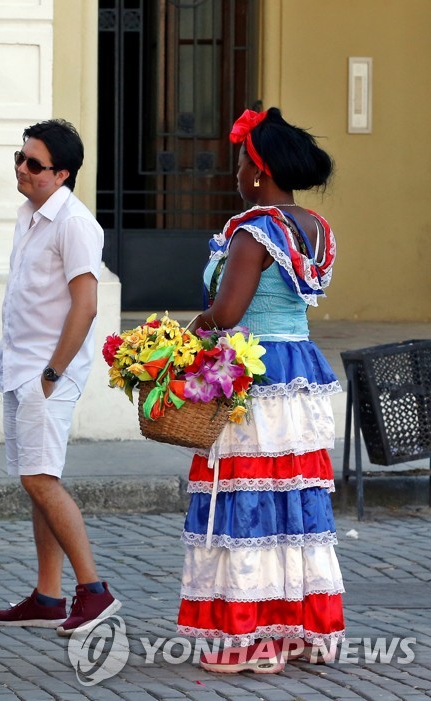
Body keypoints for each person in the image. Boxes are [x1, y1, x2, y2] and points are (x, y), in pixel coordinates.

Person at [180, 107, 345, 674]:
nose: (234, 176)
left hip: (256, 371)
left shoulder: (254, 231)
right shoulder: (315, 227)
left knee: (248, 496)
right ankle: (299, 627)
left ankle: (252, 638)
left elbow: (228, 311)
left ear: (257, 171)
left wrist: (186, 334)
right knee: (292, 500)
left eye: (238, 165)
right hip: (298, 369)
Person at [0, 119, 121, 636]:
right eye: (19, 158)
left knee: (39, 479)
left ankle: (94, 590)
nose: (22, 169)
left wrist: (52, 372)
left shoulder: (74, 223)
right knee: (38, 481)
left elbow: (85, 306)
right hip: (21, 366)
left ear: (61, 173)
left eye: (34, 164)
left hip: (45, 370)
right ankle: (48, 595)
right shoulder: (31, 213)